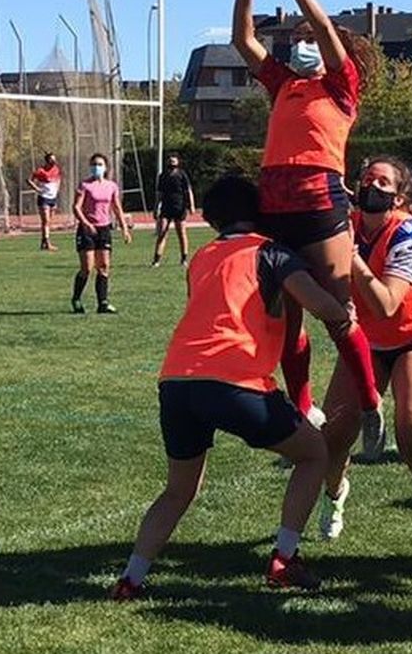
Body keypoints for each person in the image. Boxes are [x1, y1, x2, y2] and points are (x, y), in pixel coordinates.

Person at [111, 175, 356, 600]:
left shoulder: (203, 255)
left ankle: (131, 579)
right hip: (233, 378)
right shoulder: (270, 251)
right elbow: (316, 302)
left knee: (178, 490)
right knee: (314, 452)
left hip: (176, 380)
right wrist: (344, 311)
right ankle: (284, 557)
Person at [231, 0, 381, 428]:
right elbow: (243, 41)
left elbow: (322, 25)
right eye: (297, 39)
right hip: (274, 200)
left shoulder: (341, 86)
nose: (303, 44)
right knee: (285, 318)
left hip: (320, 199)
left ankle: (369, 405)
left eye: (310, 39)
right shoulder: (284, 84)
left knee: (337, 312)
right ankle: (300, 406)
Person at [313, 155, 412, 567]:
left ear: (399, 197)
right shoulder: (344, 224)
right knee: (332, 436)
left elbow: (386, 303)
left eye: (382, 182)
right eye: (367, 178)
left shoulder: (409, 233)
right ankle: (335, 493)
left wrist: (351, 257)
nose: (371, 186)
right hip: (366, 339)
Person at [71, 153, 132, 315]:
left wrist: (124, 228)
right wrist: (86, 223)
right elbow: (76, 207)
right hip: (87, 229)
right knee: (87, 267)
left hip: (104, 229)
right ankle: (76, 298)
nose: (96, 167)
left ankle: (103, 303)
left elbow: (116, 207)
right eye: (94, 164)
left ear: (105, 167)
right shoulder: (84, 185)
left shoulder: (111, 186)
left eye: (99, 164)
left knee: (104, 266)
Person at [151, 153, 196, 268]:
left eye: (174, 163)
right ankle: (156, 260)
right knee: (162, 233)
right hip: (166, 208)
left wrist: (191, 205)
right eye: (170, 163)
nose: (172, 165)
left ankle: (184, 259)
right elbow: (159, 194)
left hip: (179, 207)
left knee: (181, 233)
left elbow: (188, 190)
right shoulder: (163, 176)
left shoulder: (182, 175)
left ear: (178, 163)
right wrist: (156, 208)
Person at [28, 152, 62, 252]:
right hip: (44, 198)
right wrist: (37, 189)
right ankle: (47, 243)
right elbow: (29, 180)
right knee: (46, 221)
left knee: (49, 222)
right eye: (52, 160)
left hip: (53, 198)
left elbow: (59, 178)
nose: (54, 162)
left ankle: (44, 242)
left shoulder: (56, 169)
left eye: (54, 160)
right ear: (47, 161)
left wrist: (57, 188)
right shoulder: (41, 171)